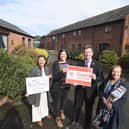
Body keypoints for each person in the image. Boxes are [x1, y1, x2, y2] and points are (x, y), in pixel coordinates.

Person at [66, 44, 103, 129]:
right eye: (86, 52)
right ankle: (73, 121)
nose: (87, 54)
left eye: (89, 52)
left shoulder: (97, 64)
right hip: (80, 89)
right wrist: (74, 82)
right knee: (76, 106)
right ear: (84, 53)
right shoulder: (79, 63)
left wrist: (95, 77)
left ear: (92, 53)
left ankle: (87, 125)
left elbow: (101, 77)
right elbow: (75, 75)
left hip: (90, 91)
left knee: (89, 109)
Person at [92, 65, 128, 129]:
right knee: (100, 126)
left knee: (111, 126)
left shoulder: (124, 84)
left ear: (121, 73)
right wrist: (102, 97)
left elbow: (123, 100)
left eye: (118, 72)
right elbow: (100, 90)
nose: (115, 73)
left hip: (114, 111)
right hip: (103, 108)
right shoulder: (107, 80)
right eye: (113, 71)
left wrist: (112, 105)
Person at [27, 55, 51, 127]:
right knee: (37, 105)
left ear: (45, 61)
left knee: (44, 103)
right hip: (37, 92)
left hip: (44, 91)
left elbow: (48, 79)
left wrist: (50, 77)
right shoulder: (34, 69)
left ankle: (45, 114)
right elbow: (30, 80)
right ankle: (38, 118)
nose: (41, 61)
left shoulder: (47, 68)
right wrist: (28, 91)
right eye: (40, 60)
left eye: (43, 60)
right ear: (38, 61)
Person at [51, 49, 71, 128]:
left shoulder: (70, 64)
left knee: (64, 101)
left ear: (67, 55)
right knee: (57, 103)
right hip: (57, 87)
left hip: (66, 87)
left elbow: (74, 74)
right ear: (59, 55)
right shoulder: (55, 64)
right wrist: (62, 71)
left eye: (64, 54)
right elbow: (55, 77)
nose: (63, 55)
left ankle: (62, 111)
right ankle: (57, 118)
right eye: (61, 54)